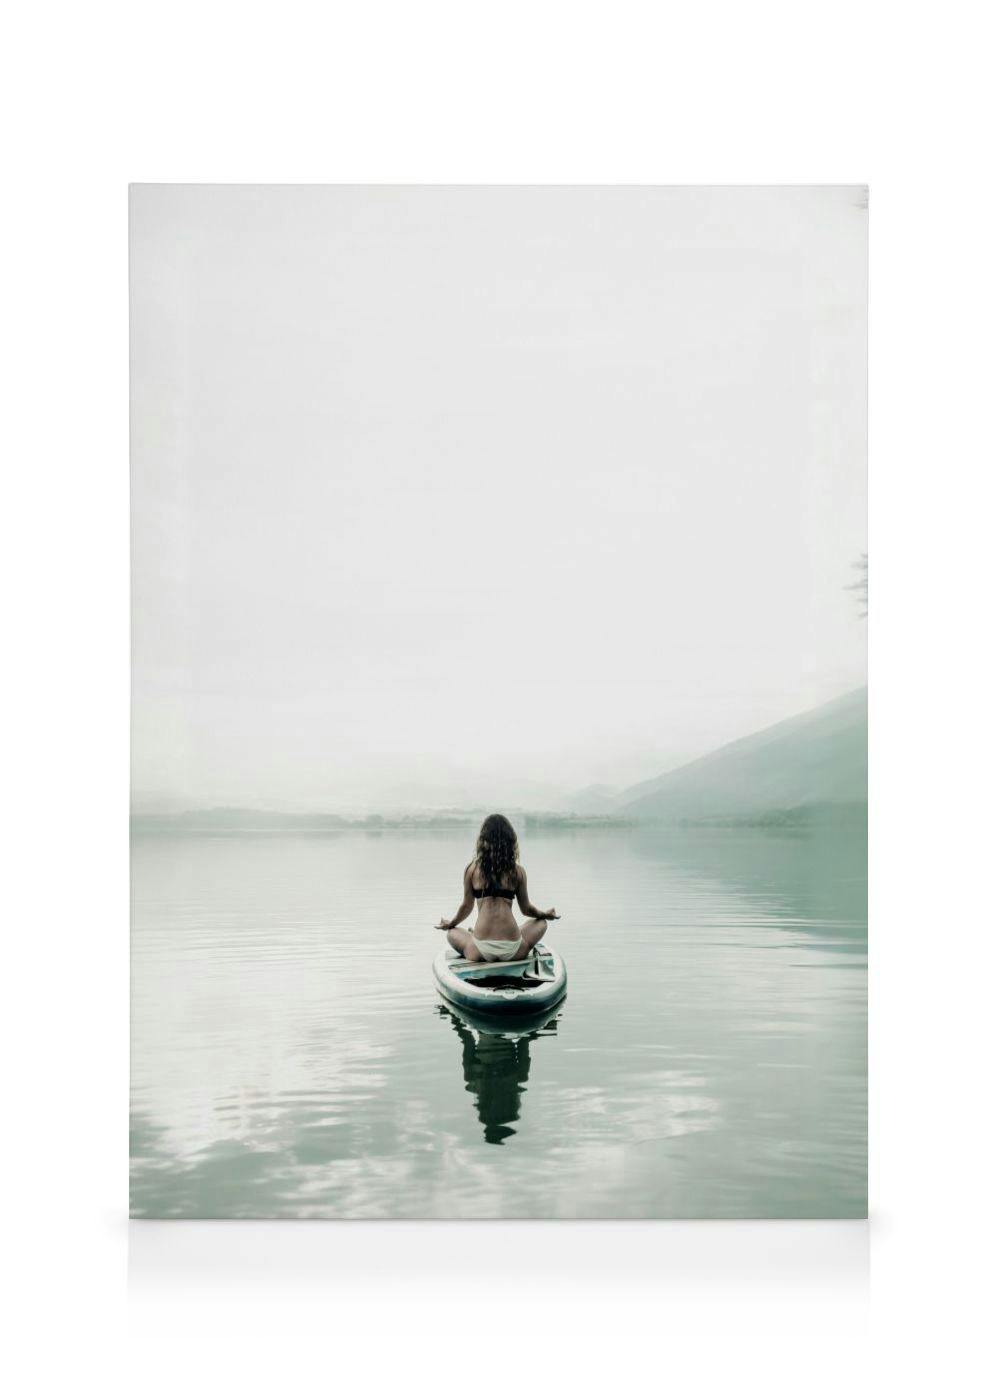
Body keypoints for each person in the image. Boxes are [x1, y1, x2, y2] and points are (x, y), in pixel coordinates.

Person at [435, 813, 559, 962]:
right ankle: (510, 937)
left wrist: (451, 923)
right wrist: (546, 914)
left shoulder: (472, 869)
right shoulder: (518, 871)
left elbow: (466, 907)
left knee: (451, 932)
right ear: (510, 841)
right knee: (541, 923)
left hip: (480, 950)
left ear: (483, 840)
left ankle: (476, 936)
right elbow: (526, 909)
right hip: (514, 950)